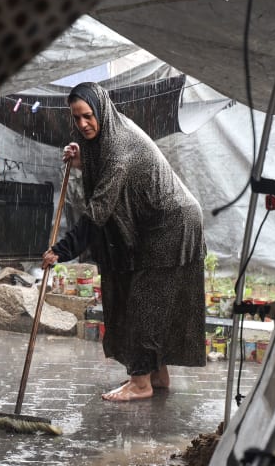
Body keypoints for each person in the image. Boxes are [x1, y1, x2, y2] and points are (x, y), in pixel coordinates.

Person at [42, 81, 206, 401]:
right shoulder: (111, 129)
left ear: (101, 110)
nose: (83, 125)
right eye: (76, 119)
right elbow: (101, 163)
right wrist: (81, 158)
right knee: (146, 299)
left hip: (172, 225)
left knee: (142, 302)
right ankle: (157, 376)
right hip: (157, 224)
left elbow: (99, 211)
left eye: (88, 116)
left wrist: (61, 251)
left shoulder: (119, 148)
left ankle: (140, 384)